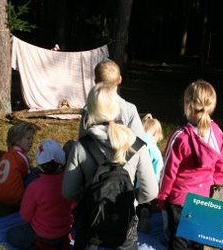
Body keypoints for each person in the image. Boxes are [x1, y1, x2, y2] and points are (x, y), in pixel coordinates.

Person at [63, 83, 158, 250]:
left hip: (91, 232)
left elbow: (68, 192)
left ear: (90, 109)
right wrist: (132, 199)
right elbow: (151, 191)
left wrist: (91, 196)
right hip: (124, 233)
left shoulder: (81, 147)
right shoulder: (136, 146)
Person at [157, 80, 223, 250]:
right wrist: (215, 185)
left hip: (179, 199)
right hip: (203, 197)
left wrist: (162, 197)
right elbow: (220, 169)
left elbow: (168, 172)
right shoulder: (218, 134)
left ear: (187, 104)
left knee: (178, 239)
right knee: (197, 238)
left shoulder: (180, 137)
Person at [6, 139, 73, 250]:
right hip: (64, 233)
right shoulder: (69, 181)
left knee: (12, 234)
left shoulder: (34, 187)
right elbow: (73, 204)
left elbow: (25, 216)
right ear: (62, 161)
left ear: (40, 165)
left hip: (43, 236)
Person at [78, 59, 145, 139]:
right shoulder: (130, 109)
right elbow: (139, 144)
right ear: (120, 79)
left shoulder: (88, 109)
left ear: (95, 81)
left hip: (92, 150)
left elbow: (82, 139)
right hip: (123, 150)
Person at [0, 123, 35, 208]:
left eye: (32, 138)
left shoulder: (6, 155)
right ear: (17, 140)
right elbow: (26, 174)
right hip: (15, 200)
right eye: (28, 138)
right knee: (35, 174)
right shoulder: (21, 157)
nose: (31, 141)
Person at [137, 113, 164, 233]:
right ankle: (145, 216)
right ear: (155, 134)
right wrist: (159, 185)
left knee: (134, 204)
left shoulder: (134, 144)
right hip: (148, 185)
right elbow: (159, 168)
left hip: (133, 183)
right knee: (146, 204)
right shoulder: (154, 149)